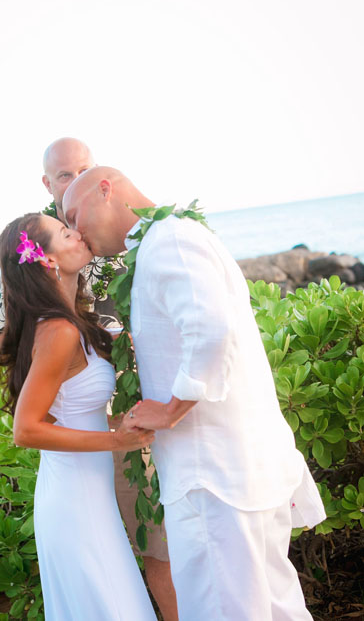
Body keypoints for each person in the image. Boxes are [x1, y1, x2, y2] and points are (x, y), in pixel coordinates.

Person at [62, 166, 326, 620]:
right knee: (276, 606)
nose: (72, 229)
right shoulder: (169, 239)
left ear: (105, 190)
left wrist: (170, 410)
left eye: (72, 213)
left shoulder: (169, 240)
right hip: (235, 469)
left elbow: (211, 329)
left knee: (221, 608)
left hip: (214, 476)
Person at [0, 137, 177, 619]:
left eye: (85, 170)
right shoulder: (56, 327)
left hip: (85, 484)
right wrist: (118, 443)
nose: (77, 235)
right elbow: (26, 428)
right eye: (65, 233)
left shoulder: (76, 306)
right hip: (79, 491)